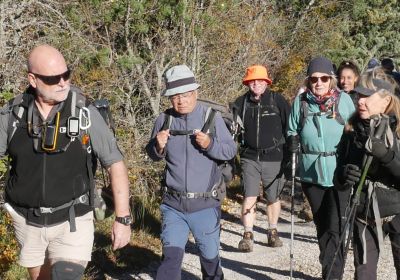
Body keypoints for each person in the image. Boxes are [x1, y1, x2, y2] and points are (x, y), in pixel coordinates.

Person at [0, 45, 131, 279]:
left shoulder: (84, 113)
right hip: (26, 220)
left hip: (73, 220)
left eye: (66, 74)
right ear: (33, 79)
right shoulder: (13, 114)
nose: (62, 82)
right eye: (52, 78)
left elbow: (115, 163)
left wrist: (123, 218)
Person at [146, 64, 236, 280]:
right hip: (173, 205)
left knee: (210, 260)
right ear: (169, 98)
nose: (181, 100)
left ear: (195, 93)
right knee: (170, 260)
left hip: (205, 205)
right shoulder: (164, 120)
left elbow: (230, 150)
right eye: (175, 96)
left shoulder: (210, 118)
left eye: (186, 95)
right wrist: (157, 146)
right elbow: (152, 153)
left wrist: (209, 144)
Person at [287, 56, 355, 279]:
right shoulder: (302, 102)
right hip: (311, 173)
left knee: (335, 227)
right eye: (314, 79)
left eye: (324, 78)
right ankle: (331, 267)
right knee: (322, 225)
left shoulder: (343, 101)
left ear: (331, 80)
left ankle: (331, 274)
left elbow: (355, 131)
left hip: (339, 173)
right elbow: (291, 129)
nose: (319, 83)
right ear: (309, 80)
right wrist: (292, 140)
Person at [334, 68, 400, 279]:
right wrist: (344, 175)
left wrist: (387, 157)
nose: (360, 101)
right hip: (364, 213)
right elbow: (338, 178)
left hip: (398, 210)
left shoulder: (398, 130)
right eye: (358, 95)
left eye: (366, 96)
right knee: (363, 275)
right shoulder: (351, 130)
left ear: (385, 100)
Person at [233, 65, 290, 251]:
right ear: (248, 83)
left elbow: (290, 127)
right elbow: (232, 129)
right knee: (249, 196)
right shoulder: (241, 103)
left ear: (267, 82)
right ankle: (247, 235)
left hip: (274, 156)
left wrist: (290, 154)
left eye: (260, 81)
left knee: (273, 197)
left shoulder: (277, 101)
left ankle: (272, 231)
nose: (256, 84)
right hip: (249, 156)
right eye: (252, 81)